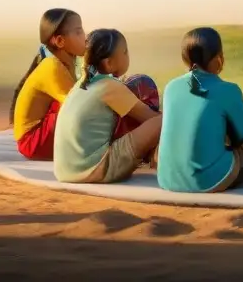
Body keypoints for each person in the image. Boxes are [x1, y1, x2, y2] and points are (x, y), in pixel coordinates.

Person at [157, 27, 243, 193]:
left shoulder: (171, 87)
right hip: (207, 180)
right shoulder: (229, 90)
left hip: (168, 179)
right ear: (218, 59)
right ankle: (237, 174)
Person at [53, 29, 162, 184]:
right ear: (109, 63)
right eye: (125, 52)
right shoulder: (109, 87)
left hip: (65, 172)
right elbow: (151, 118)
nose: (127, 55)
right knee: (163, 121)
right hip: (96, 170)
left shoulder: (81, 84)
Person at [10, 8, 86, 160]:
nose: (85, 37)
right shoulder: (52, 66)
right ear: (59, 41)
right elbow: (79, 104)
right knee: (80, 106)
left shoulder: (67, 64)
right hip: (32, 142)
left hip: (38, 136)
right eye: (78, 32)